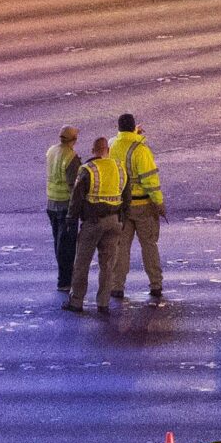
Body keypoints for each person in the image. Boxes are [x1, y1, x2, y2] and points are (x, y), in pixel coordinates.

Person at [66, 137, 125, 313]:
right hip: (114, 221)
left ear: (93, 150)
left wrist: (71, 220)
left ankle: (76, 301)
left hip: (93, 222)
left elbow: (76, 199)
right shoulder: (120, 168)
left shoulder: (88, 169)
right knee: (107, 264)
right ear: (108, 149)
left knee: (82, 263)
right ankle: (103, 303)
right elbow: (126, 196)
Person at [113, 114, 167, 306]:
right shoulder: (141, 150)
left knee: (121, 248)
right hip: (143, 206)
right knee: (149, 246)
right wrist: (159, 203)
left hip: (121, 206)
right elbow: (151, 180)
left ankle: (116, 286)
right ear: (134, 127)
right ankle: (155, 285)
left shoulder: (113, 146)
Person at [44, 126, 80, 295]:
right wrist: (77, 209)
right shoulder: (71, 156)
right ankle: (65, 281)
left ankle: (63, 278)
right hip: (65, 205)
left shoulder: (51, 151)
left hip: (51, 203)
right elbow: (74, 186)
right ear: (73, 139)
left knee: (58, 243)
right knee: (66, 245)